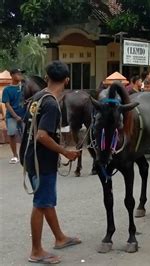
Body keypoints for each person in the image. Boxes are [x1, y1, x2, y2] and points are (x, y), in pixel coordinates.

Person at [19, 61, 82, 264]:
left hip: (31, 156)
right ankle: (36, 251)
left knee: (46, 200)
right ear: (67, 80)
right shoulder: (51, 103)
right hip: (42, 160)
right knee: (41, 203)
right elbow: (42, 136)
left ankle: (60, 238)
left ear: (46, 77)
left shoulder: (37, 97)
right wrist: (66, 152)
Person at [2, 68, 26, 164]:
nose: (20, 75)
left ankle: (24, 154)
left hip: (24, 116)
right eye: (18, 74)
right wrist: (15, 116)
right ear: (12, 75)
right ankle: (15, 156)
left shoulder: (24, 87)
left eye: (21, 73)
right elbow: (7, 104)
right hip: (11, 116)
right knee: (12, 135)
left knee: (25, 135)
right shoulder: (7, 89)